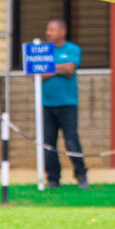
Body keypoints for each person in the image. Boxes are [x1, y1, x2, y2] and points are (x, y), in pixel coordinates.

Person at [40, 19, 88, 189]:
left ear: (62, 31)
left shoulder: (73, 49)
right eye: (47, 29)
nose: (48, 33)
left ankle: (81, 175)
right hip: (47, 104)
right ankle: (53, 179)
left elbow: (70, 70)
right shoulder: (44, 51)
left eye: (52, 29)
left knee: (71, 140)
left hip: (68, 104)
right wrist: (59, 68)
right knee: (48, 143)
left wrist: (49, 68)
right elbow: (37, 74)